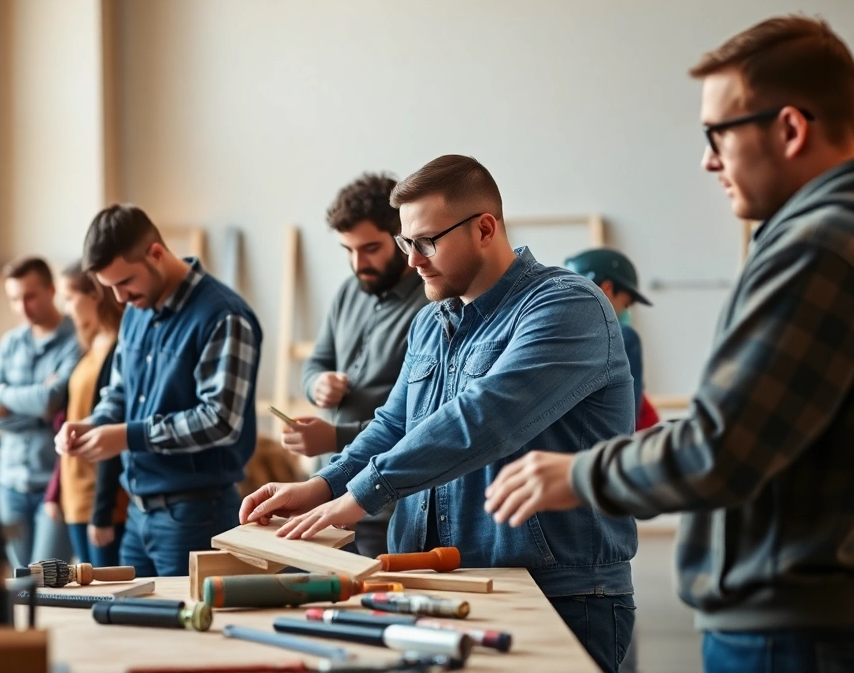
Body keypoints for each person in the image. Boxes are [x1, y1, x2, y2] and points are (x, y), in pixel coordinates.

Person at [485, 16, 854, 673]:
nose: (708, 159)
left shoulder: (821, 253)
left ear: (790, 127)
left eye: (717, 133)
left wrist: (576, 472)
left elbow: (721, 450)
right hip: (837, 621)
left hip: (792, 638)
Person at [240, 155, 637, 672]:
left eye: (425, 242)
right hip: (437, 586)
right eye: (407, 243)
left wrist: (362, 494)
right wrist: (322, 487)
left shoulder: (566, 306)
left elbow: (484, 421)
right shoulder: (431, 323)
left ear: (485, 229)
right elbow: (393, 425)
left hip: (556, 592)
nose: (412, 261)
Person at [56, 205, 262, 578]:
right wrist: (92, 424)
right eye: (109, 287)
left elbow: (219, 421)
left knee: (190, 630)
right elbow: (119, 392)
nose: (118, 298)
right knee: (137, 627)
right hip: (138, 514)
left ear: (156, 254)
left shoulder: (224, 316)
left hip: (196, 516)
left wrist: (126, 436)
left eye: (124, 282)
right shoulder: (136, 309)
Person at [285, 173, 428, 558]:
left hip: (385, 509)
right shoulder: (349, 291)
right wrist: (317, 384)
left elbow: (418, 424)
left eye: (370, 248)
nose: (357, 263)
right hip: (326, 492)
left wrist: (334, 437)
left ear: (401, 237)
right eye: (347, 250)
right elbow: (315, 362)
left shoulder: (430, 306)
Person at [0, 256, 80, 566]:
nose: (22, 308)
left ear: (51, 291)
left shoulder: (77, 340)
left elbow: (51, 401)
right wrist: (38, 407)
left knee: (46, 579)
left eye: (30, 296)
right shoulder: (10, 343)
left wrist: (6, 399)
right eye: (14, 299)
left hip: (53, 484)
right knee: (20, 583)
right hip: (9, 482)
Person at [44, 262, 130, 567]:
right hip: (76, 492)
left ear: (95, 295)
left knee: (107, 592)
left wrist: (103, 511)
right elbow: (72, 421)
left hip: (101, 498)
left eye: (69, 297)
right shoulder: (92, 345)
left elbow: (112, 425)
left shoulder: (118, 347)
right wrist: (56, 491)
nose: (66, 308)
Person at [565, 249, 654, 430]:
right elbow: (627, 424)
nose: (626, 313)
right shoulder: (623, 337)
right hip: (592, 454)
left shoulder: (543, 329)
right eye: (626, 304)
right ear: (607, 288)